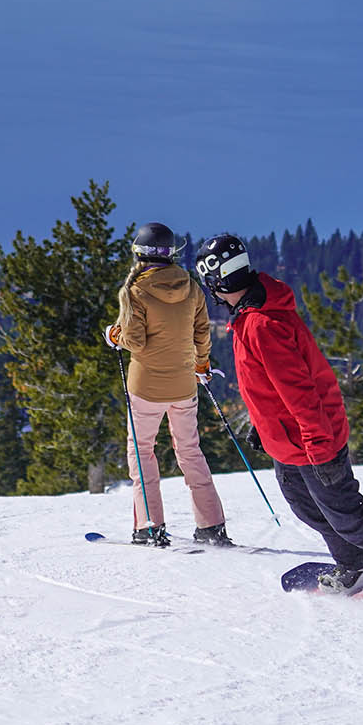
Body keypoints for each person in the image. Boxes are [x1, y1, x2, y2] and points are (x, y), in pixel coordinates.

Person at [194, 233, 363, 600]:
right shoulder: (250, 318)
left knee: (350, 517)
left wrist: (319, 445)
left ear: (212, 282)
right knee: (310, 509)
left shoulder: (262, 324)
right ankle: (358, 562)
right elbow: (272, 387)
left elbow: (301, 390)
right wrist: (263, 426)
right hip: (289, 442)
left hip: (313, 440)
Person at [102, 223, 232, 549]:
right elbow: (202, 334)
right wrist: (201, 365)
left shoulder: (135, 292)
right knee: (189, 451)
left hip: (145, 387)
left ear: (139, 255)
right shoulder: (191, 286)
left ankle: (149, 526)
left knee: (143, 452)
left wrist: (114, 335)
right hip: (184, 385)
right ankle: (211, 525)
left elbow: (135, 341)